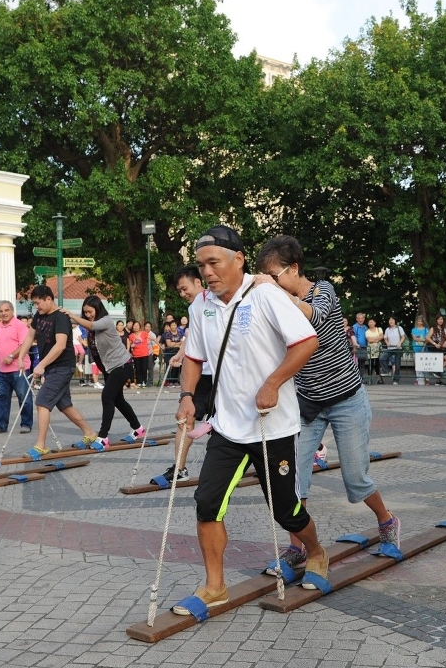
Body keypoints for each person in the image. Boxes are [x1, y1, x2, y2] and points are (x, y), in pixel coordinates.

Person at [173, 226, 329, 615]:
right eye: (201, 265)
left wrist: (274, 382)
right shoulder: (201, 307)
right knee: (207, 502)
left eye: (214, 262)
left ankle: (316, 552)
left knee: (285, 509)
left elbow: (307, 340)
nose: (207, 272)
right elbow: (193, 357)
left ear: (238, 259)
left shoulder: (265, 295)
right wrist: (188, 396)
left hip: (272, 425)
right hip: (227, 426)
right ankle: (214, 586)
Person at [255, 236, 401, 563]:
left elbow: (316, 318)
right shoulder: (280, 302)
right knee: (294, 481)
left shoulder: (323, 291)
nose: (272, 284)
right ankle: (299, 546)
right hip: (307, 405)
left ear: (294, 269)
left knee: (356, 480)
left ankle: (387, 521)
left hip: (347, 400)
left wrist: (276, 292)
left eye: (275, 276)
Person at [7, 284, 103, 459]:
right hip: (51, 367)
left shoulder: (60, 318)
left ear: (48, 299)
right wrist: (20, 358)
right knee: (64, 405)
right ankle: (90, 433)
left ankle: (40, 446)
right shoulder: (39, 316)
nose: (37, 307)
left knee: (42, 401)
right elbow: (30, 336)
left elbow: (59, 346)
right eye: (35, 304)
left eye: (38, 303)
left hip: (63, 367)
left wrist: (41, 364)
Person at [155, 266, 212, 482]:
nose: (182, 294)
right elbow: (193, 336)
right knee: (186, 418)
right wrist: (181, 353)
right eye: (179, 290)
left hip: (226, 375)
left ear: (199, 282)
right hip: (203, 373)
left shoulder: (219, 298)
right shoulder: (195, 307)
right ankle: (179, 469)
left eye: (184, 288)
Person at [67, 295, 144, 450]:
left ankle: (103, 437)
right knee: (118, 400)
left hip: (122, 365)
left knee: (107, 396)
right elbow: (82, 324)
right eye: (85, 312)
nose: (88, 315)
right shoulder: (91, 326)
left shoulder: (106, 321)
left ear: (98, 308)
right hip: (110, 368)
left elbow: (90, 325)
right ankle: (138, 429)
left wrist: (72, 315)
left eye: (90, 311)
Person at [0, 300, 33, 435]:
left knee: (23, 397)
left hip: (19, 368)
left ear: (12, 311)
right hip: (2, 369)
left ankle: (26, 424)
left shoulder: (20, 326)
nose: (4, 313)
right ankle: (0, 425)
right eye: (1, 311)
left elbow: (25, 344)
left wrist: (11, 355)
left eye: (6, 310)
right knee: (1, 398)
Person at [427, 315, 446, 384]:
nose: (440, 321)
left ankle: (438, 378)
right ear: (436, 320)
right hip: (436, 347)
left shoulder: (444, 328)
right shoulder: (433, 328)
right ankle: (438, 379)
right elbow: (428, 337)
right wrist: (435, 344)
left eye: (441, 319)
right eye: (439, 319)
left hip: (443, 347)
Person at [382, 317, 406, 384]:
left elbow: (403, 336)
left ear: (395, 321)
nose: (391, 321)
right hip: (390, 348)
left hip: (398, 348)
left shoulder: (399, 328)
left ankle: (396, 380)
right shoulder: (387, 329)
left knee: (397, 364)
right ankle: (387, 371)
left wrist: (400, 343)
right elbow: (385, 338)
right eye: (390, 320)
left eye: (392, 320)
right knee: (382, 358)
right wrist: (387, 343)